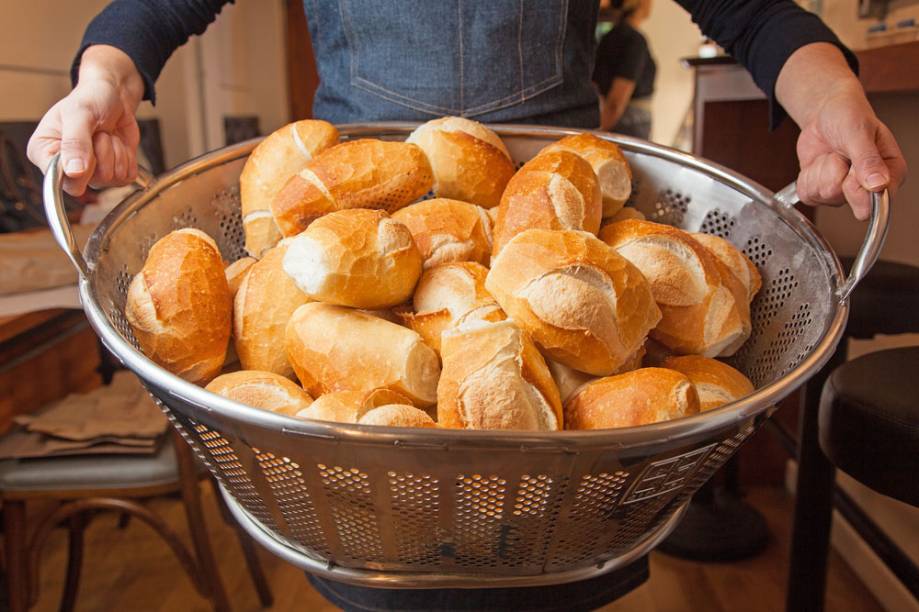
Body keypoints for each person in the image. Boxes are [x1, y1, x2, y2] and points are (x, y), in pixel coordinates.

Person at [26, 2, 906, 610]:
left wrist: (826, 94)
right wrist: (106, 76)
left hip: (556, 181)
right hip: (347, 190)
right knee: (393, 551)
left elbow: (747, 6)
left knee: (547, 548)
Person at [594, 0, 656, 138]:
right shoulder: (634, 40)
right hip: (629, 126)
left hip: (614, 121)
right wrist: (600, 133)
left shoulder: (609, 37)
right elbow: (616, 101)